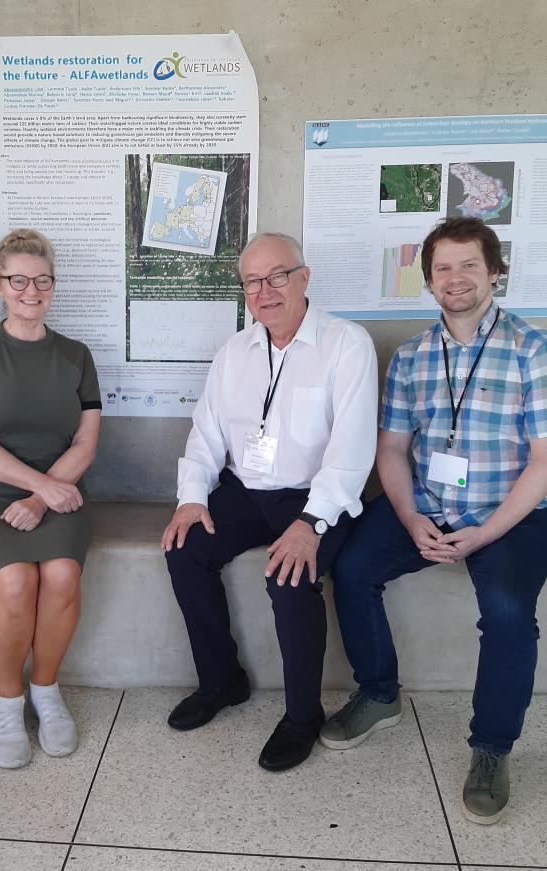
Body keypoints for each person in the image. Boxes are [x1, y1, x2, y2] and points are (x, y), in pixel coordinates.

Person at [321, 217, 547, 825]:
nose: (456, 278)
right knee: (350, 566)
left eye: (469, 264)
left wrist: (487, 532)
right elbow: (391, 450)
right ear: (427, 280)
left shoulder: (532, 350)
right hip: (425, 505)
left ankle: (492, 748)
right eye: (443, 267)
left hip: (511, 514)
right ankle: (378, 694)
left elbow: (545, 464)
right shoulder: (414, 357)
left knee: (506, 614)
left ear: (495, 273)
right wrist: (409, 515)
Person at [161, 232, 377, 771]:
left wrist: (310, 521)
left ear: (304, 277)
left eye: (277, 275)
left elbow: (352, 451)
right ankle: (222, 681)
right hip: (244, 491)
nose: (265, 290)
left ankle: (302, 715)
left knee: (289, 574)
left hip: (314, 494)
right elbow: (206, 434)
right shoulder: (234, 352)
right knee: (185, 548)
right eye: (253, 281)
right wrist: (191, 498)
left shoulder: (347, 344)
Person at [0, 229, 101, 769]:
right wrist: (39, 488)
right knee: (15, 579)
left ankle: (46, 691)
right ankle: (7, 702)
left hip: (59, 489)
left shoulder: (77, 356)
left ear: (54, 286)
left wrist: (43, 496)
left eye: (42, 280)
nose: (30, 290)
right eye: (18, 280)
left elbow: (85, 442)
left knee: (61, 574)